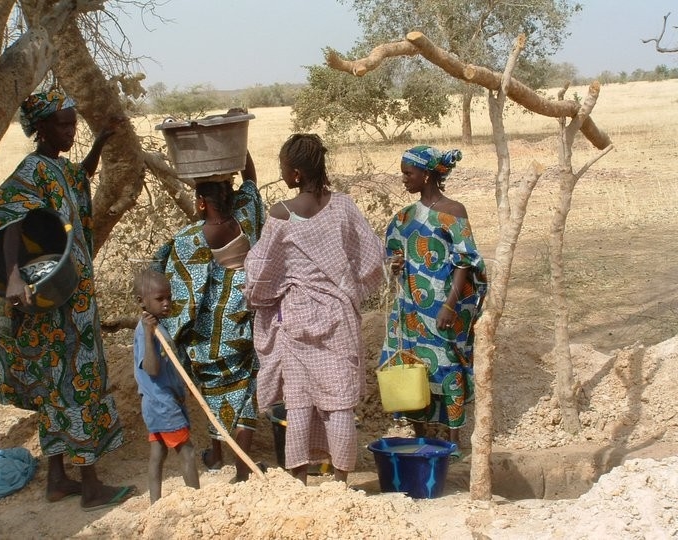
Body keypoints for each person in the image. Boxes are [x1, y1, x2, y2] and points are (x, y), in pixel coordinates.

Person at [0, 90, 135, 510]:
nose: (70, 131)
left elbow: (80, 178)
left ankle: (57, 479)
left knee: (56, 388)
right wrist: (15, 277)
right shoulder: (32, 170)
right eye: (63, 124)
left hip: (69, 299)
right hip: (57, 306)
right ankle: (91, 485)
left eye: (73, 123)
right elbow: (11, 221)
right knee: (79, 383)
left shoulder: (58, 168)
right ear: (39, 128)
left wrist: (101, 141)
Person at [243, 133, 385, 485]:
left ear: (294, 174)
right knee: (339, 403)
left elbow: (261, 274)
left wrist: (263, 294)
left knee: (299, 402)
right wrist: (348, 285)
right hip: (340, 316)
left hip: (297, 319)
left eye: (282, 169)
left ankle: (299, 480)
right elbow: (371, 260)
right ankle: (341, 480)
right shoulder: (344, 207)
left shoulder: (280, 215)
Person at [155, 148, 265, 483]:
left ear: (201, 202)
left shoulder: (189, 240)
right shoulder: (246, 216)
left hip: (207, 335)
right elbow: (251, 180)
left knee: (212, 392)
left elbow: (167, 280)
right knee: (244, 392)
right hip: (243, 324)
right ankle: (240, 466)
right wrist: (239, 146)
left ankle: (217, 455)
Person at [380, 145, 487, 459]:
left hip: (442, 307)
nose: (403, 179)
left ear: (426, 174)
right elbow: (392, 255)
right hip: (411, 308)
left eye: (408, 173)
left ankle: (454, 443)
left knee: (448, 368)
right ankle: (421, 437)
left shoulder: (453, 212)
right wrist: (395, 265)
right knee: (415, 370)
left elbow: (464, 262)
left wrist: (450, 305)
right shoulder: (403, 218)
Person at [133, 268, 199, 503]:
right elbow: (151, 369)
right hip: (162, 403)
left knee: (158, 454)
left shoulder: (157, 326)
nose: (166, 303)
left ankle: (155, 504)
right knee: (188, 452)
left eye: (168, 297)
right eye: (159, 299)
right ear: (141, 301)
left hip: (161, 401)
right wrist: (150, 336)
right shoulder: (146, 332)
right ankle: (195, 503)